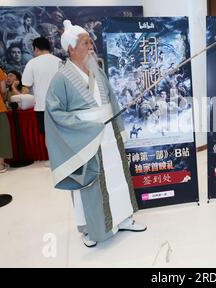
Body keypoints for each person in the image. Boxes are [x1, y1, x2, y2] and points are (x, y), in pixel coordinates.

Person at [45, 20, 146, 248]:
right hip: (85, 140)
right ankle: (90, 228)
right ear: (70, 48)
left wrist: (119, 128)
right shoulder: (61, 78)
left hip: (109, 135)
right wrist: (85, 127)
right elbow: (55, 113)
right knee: (89, 184)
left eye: (90, 42)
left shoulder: (97, 70)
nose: (91, 46)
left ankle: (123, 218)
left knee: (117, 175)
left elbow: (112, 99)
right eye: (85, 42)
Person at [22, 37, 62, 137]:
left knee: (48, 138)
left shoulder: (32, 63)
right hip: (60, 106)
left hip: (42, 107)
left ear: (36, 48)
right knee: (62, 136)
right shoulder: (59, 61)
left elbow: (26, 86)